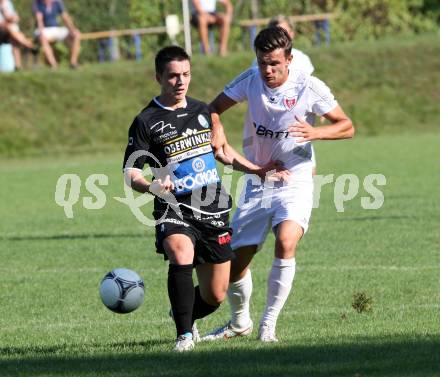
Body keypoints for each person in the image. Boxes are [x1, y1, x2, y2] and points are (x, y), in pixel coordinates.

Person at [122, 46, 285, 352]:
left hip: (212, 207)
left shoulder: (201, 111)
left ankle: (184, 311)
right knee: (180, 252)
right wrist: (151, 187)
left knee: (216, 295)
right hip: (174, 206)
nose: (179, 81)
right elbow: (130, 171)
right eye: (172, 76)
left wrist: (258, 170)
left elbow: (222, 152)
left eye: (185, 74)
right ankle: (184, 336)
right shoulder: (146, 120)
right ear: (158, 77)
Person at [202, 27, 354, 342]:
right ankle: (239, 321)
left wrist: (317, 133)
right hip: (259, 179)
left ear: (289, 58)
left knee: (286, 241)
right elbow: (211, 109)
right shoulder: (250, 79)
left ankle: (268, 324)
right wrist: (217, 129)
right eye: (262, 63)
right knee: (234, 264)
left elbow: (347, 126)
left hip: (296, 177)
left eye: (274, 63)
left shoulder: (308, 87)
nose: (268, 70)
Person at [32, 0, 81, 69]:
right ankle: (54, 65)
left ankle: (73, 63)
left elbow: (65, 17)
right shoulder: (37, 3)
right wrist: (41, 32)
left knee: (76, 34)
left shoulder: (57, 2)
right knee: (42, 38)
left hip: (56, 28)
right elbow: (39, 20)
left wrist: (72, 29)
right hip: (44, 29)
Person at [0, 0, 37, 70]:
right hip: (4, 30)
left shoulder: (7, 2)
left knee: (14, 38)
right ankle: (29, 44)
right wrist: (7, 17)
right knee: (10, 28)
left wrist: (10, 18)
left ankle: (18, 67)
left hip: (10, 30)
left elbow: (16, 18)